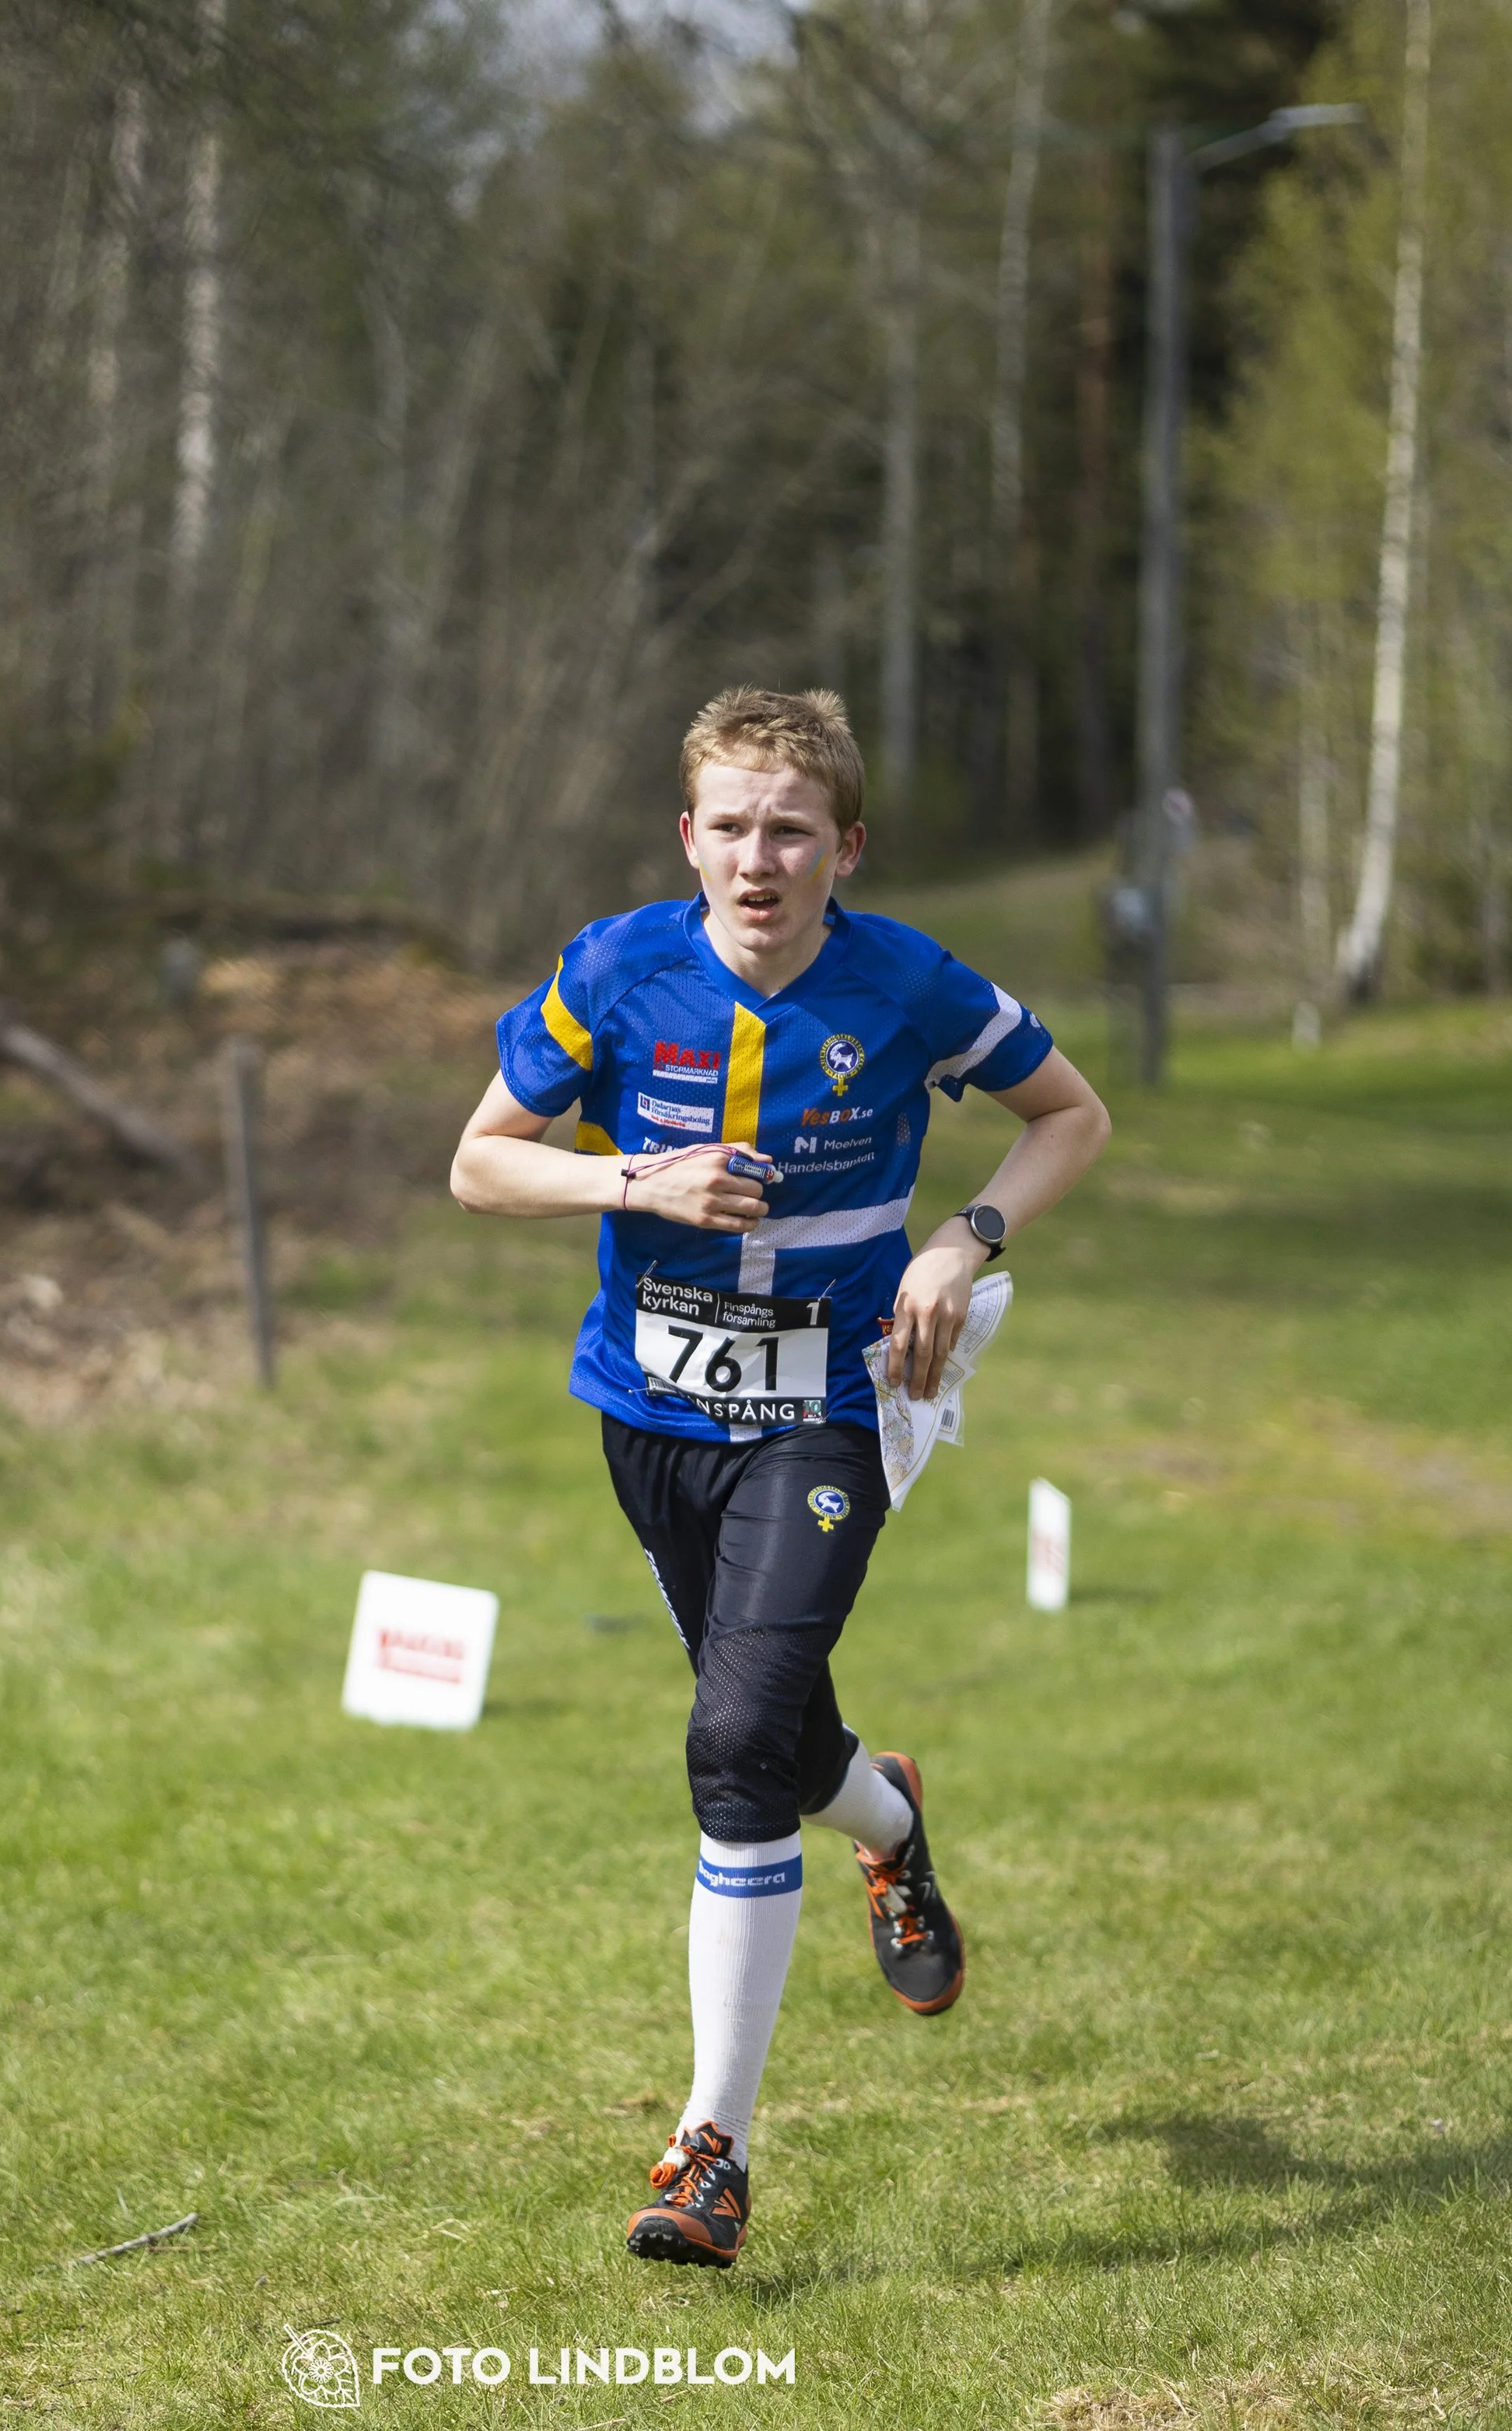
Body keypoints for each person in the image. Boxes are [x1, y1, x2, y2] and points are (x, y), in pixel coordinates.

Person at [450, 688, 1110, 2270]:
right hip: (647, 1408)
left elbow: (1068, 1113)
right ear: (688, 836)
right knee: (773, 1730)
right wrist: (633, 1174)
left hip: (830, 1402)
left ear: (844, 846)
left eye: (791, 829)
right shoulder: (616, 967)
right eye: (730, 825)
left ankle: (711, 2148)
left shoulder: (903, 982)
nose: (759, 857)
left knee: (734, 1734)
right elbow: (478, 1158)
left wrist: (966, 1237)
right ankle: (885, 1818)